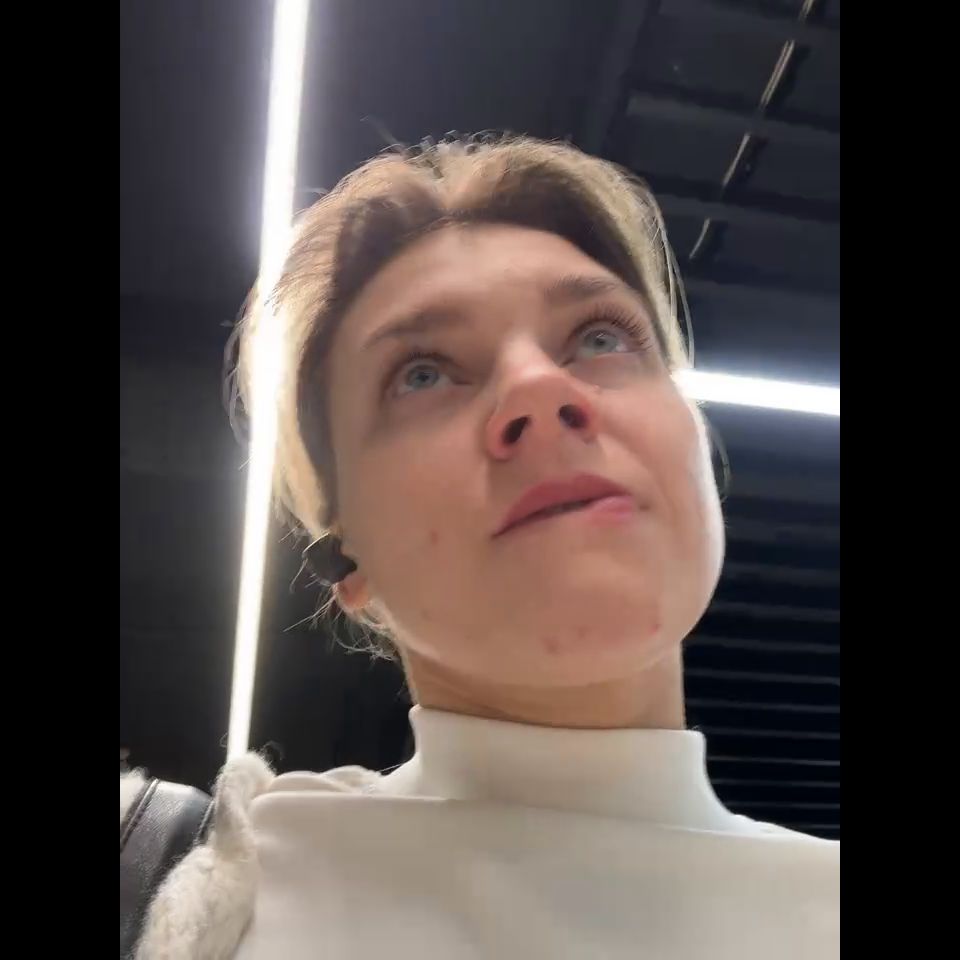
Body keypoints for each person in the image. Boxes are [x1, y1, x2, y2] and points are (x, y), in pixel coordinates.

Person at [134, 136, 839, 959]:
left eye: (601, 337)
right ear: (345, 562)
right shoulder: (186, 896)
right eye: (422, 374)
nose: (541, 386)